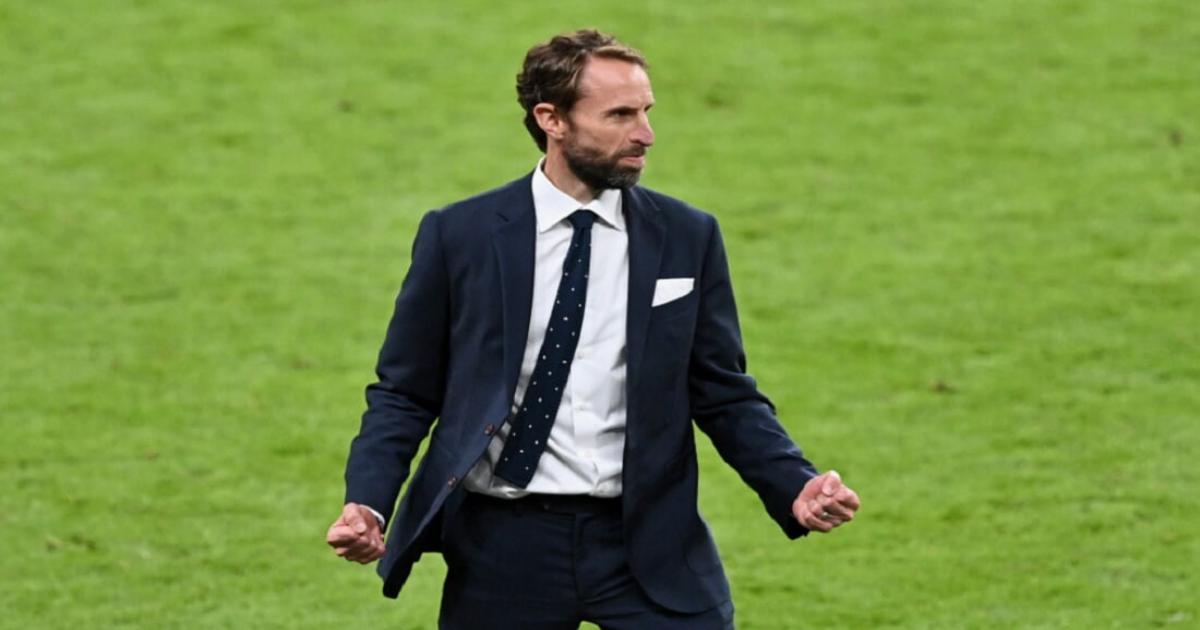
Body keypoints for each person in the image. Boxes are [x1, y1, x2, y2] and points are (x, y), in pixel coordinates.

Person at [326, 29, 861, 629]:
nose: (645, 134)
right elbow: (405, 391)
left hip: (645, 541)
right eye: (620, 115)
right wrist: (367, 502)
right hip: (504, 549)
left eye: (647, 111)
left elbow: (723, 391)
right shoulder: (461, 235)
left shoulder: (687, 236)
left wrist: (794, 483)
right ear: (551, 120)